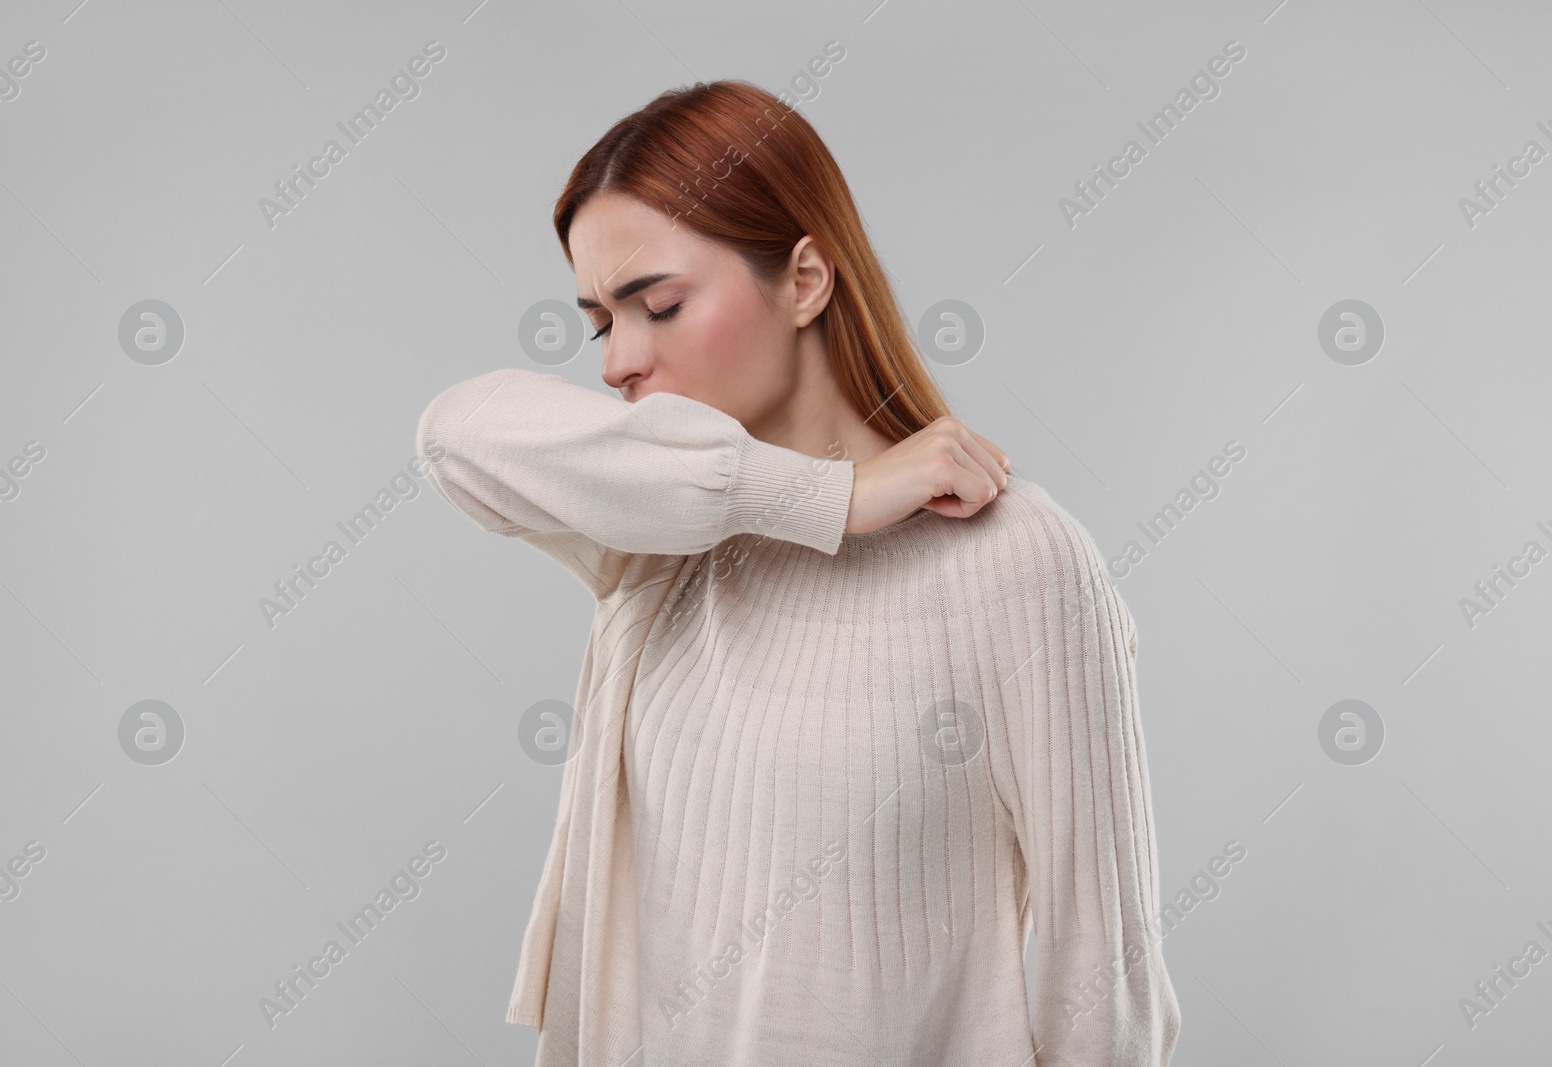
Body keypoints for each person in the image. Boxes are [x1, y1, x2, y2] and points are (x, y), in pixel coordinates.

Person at [415, 79, 1179, 1067]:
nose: (616, 363)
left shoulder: (1012, 559)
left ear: (807, 280)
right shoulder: (659, 538)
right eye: (602, 322)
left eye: (657, 303)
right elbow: (453, 435)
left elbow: (1104, 984)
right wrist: (831, 500)